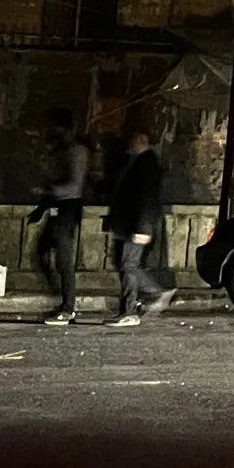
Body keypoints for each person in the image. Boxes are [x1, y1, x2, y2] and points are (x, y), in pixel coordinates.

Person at [106, 131, 172, 327]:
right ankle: (142, 299)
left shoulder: (147, 165)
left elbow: (147, 199)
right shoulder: (140, 162)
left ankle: (133, 308)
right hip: (129, 224)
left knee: (128, 265)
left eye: (133, 142)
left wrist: (143, 227)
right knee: (124, 263)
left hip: (136, 224)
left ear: (141, 142)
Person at [32, 108, 91, 326]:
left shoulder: (77, 152)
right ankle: (62, 298)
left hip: (68, 208)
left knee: (64, 260)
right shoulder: (63, 150)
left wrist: (47, 190)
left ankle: (68, 307)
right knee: (43, 250)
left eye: (52, 127)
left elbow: (73, 186)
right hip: (58, 207)